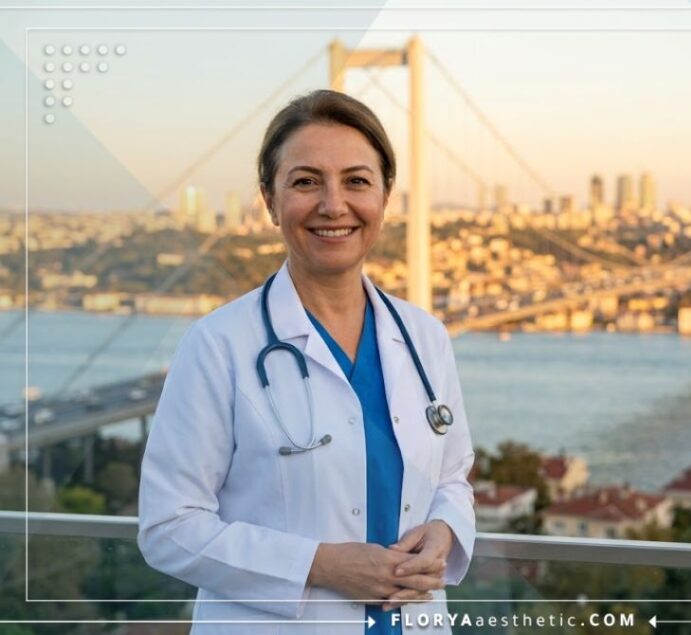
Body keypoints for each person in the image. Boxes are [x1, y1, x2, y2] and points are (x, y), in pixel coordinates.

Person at [137, 89, 476, 634]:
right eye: (305, 181)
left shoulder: (425, 338)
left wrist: (445, 532)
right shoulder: (218, 345)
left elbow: (453, 477)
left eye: (357, 181)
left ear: (386, 196)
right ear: (270, 201)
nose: (333, 205)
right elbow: (167, 527)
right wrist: (319, 566)